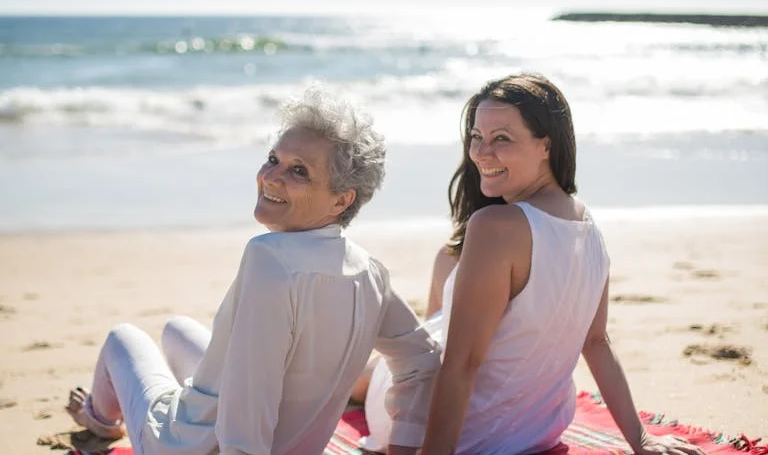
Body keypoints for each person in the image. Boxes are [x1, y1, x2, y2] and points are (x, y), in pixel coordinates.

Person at [63, 86, 441, 455]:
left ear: (342, 200)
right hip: (281, 437)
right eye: (274, 159)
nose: (272, 177)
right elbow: (422, 360)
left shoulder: (269, 258)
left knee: (122, 338)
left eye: (299, 171)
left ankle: (100, 419)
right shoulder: (370, 272)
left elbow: (252, 394)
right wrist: (404, 446)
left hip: (189, 446)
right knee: (176, 328)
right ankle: (113, 413)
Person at [355, 74, 704, 455]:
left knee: (395, 359)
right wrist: (640, 439)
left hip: (462, 434)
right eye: (476, 137)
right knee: (444, 278)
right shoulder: (588, 226)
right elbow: (597, 342)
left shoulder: (493, 227)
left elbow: (461, 363)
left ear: (546, 145)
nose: (481, 153)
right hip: (537, 432)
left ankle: (352, 379)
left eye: (502, 138)